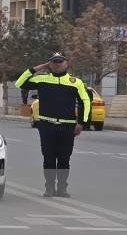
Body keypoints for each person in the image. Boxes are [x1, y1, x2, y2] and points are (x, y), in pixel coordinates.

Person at [16, 51, 91, 198]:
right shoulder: (42, 79)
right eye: (54, 62)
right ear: (49, 64)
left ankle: (62, 188)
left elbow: (85, 102)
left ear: (66, 63)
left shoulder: (75, 82)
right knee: (49, 158)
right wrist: (36, 68)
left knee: (64, 158)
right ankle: (49, 187)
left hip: (67, 126)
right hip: (47, 125)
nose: (57, 64)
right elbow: (20, 83)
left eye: (60, 61)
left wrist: (82, 122)